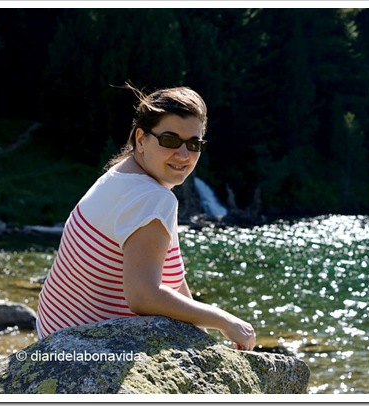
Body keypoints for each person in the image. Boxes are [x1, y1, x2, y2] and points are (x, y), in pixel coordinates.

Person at [36, 84, 256, 351]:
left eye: (193, 143)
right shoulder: (153, 198)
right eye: (170, 140)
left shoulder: (120, 175)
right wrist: (224, 320)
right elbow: (142, 296)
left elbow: (171, 278)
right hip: (86, 352)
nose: (183, 155)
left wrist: (204, 336)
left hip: (53, 333)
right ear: (141, 139)